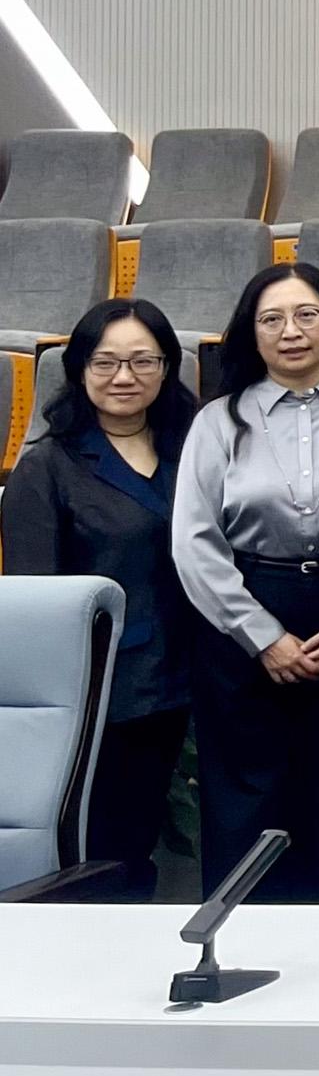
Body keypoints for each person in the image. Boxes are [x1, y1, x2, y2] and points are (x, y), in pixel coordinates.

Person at [170, 263, 319, 903]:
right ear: (251, 333)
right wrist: (262, 636)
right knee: (242, 799)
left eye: (307, 314)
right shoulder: (219, 419)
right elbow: (194, 540)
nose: (291, 331)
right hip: (241, 619)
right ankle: (235, 946)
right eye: (272, 318)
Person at [2, 299, 198, 899]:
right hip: (102, 697)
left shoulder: (195, 450)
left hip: (190, 682)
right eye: (105, 361)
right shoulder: (47, 468)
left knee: (142, 844)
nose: (123, 376)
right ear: (79, 369)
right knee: (102, 853)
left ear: (167, 368)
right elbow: (38, 606)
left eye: (143, 361)